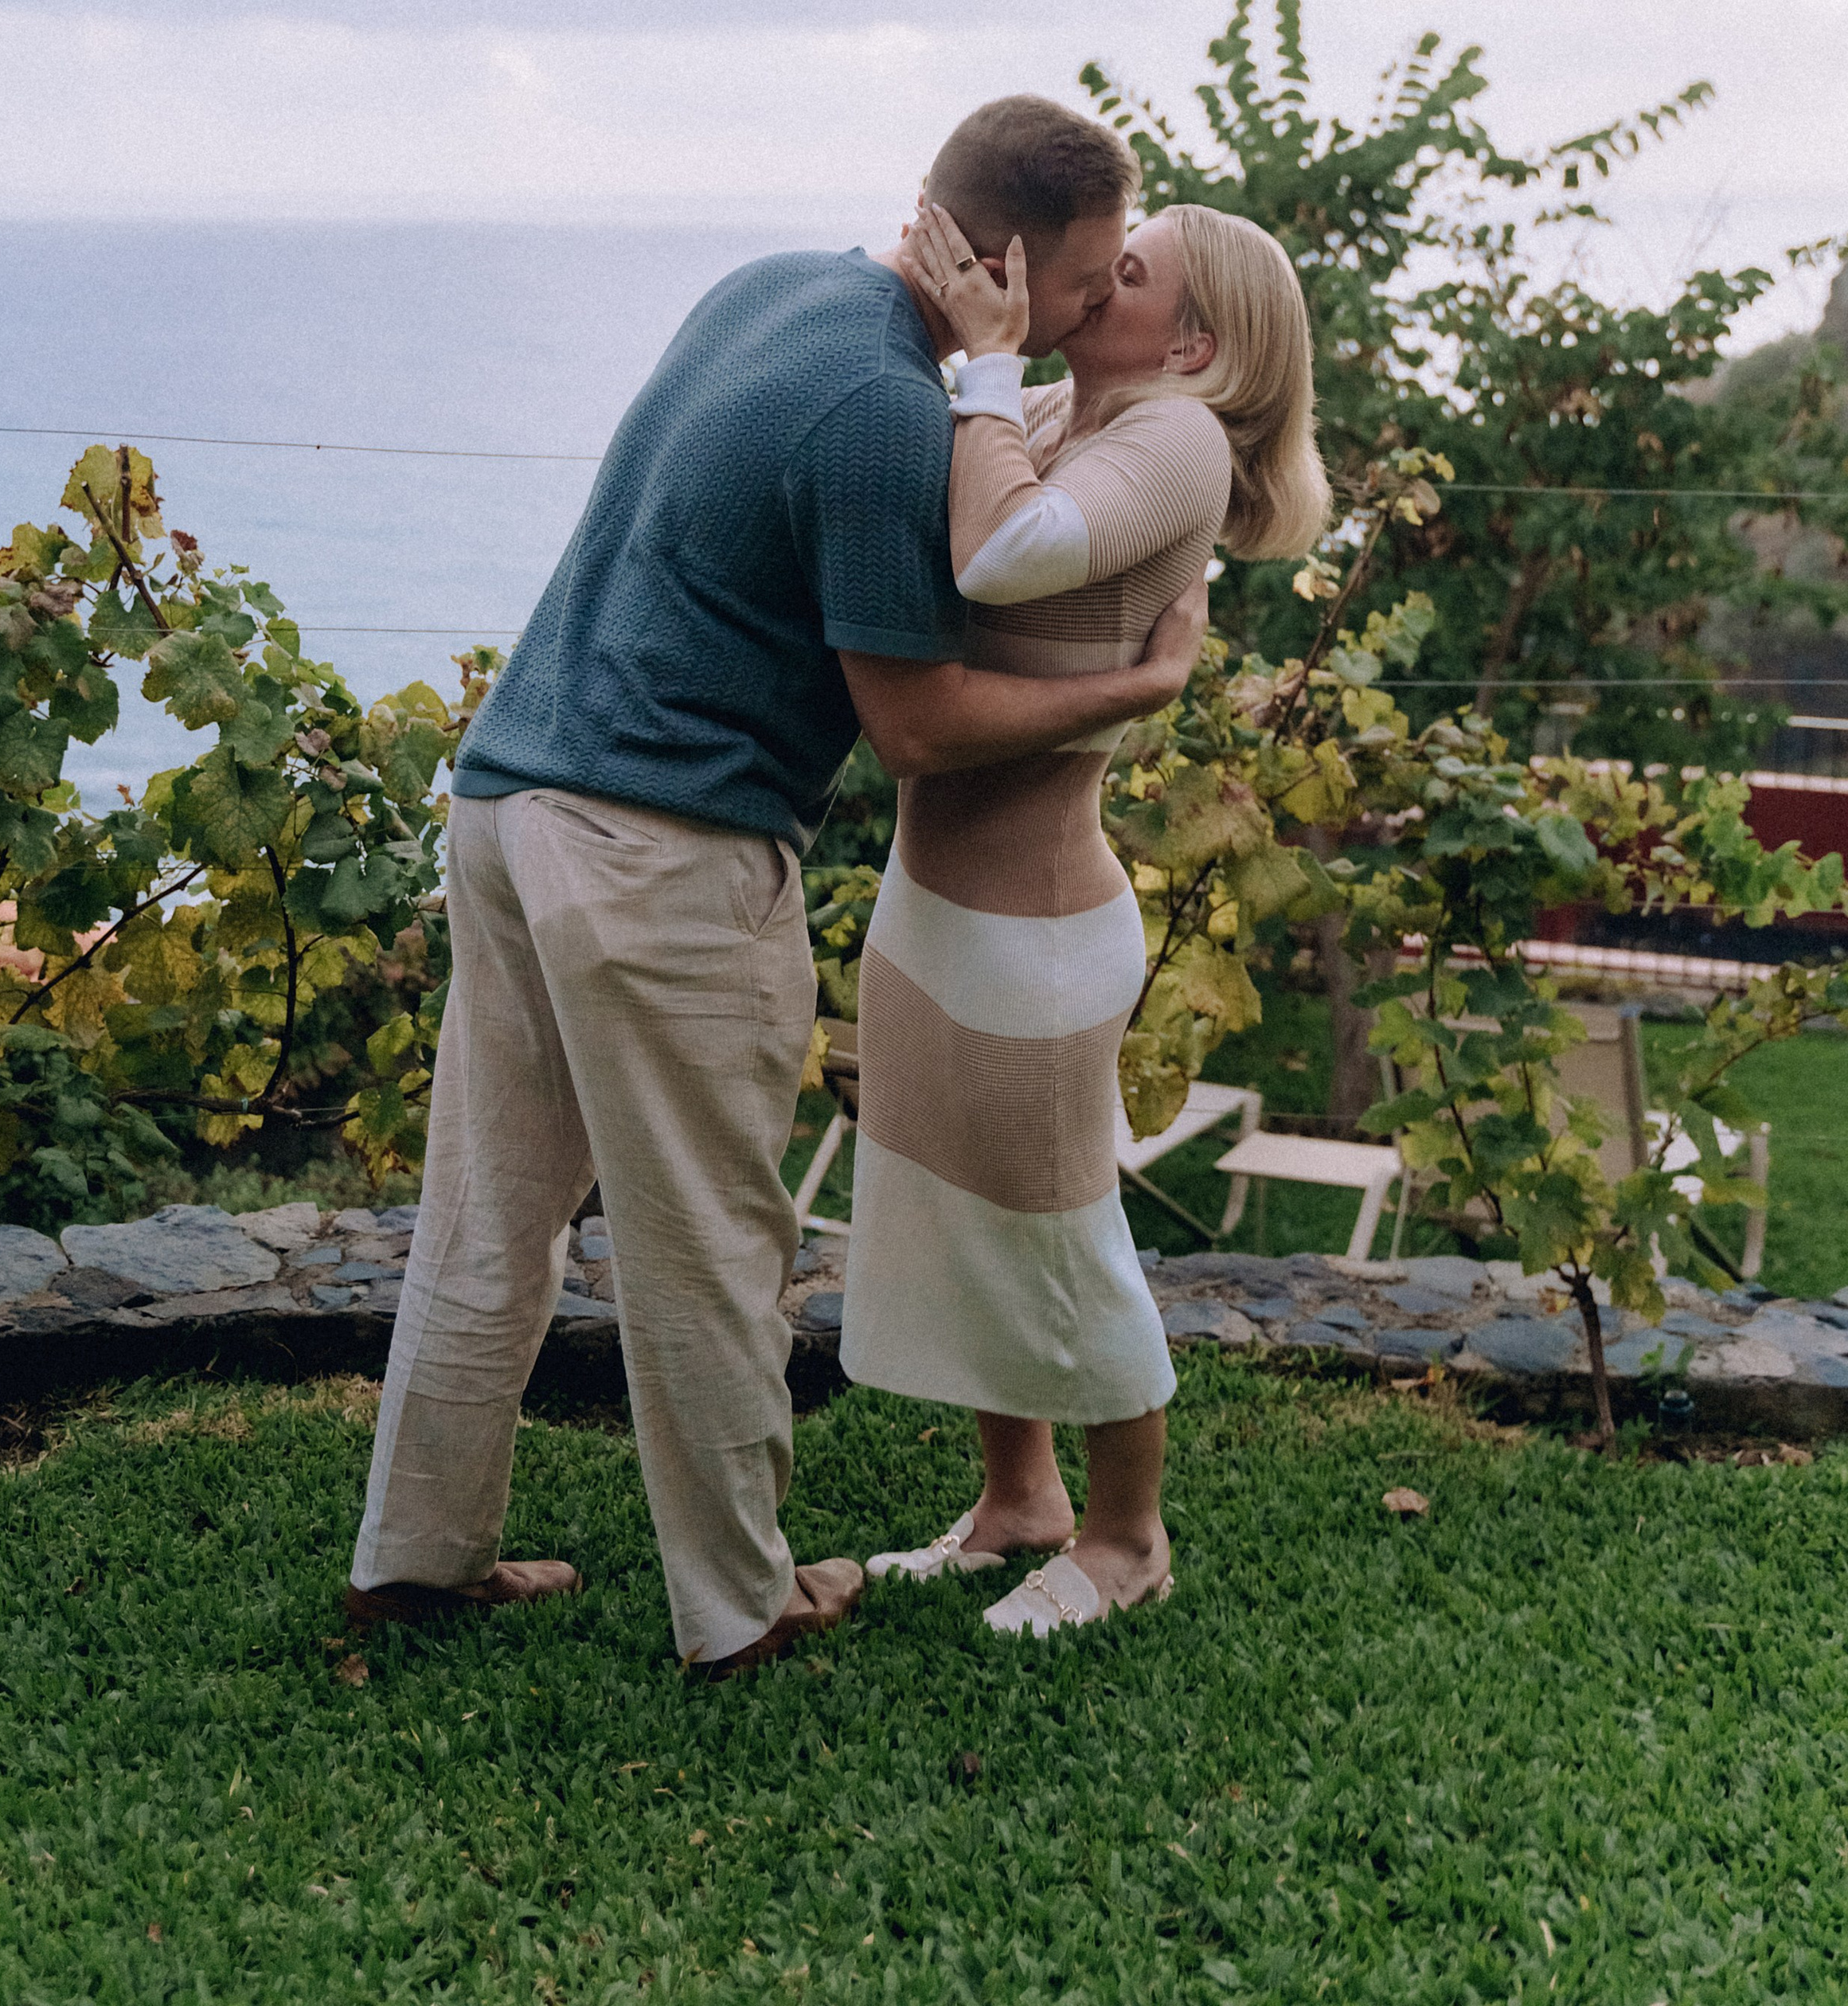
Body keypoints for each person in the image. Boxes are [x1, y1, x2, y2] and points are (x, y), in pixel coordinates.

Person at [346, 96, 1217, 1676]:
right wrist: (1131, 691)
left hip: (502, 799)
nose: (1099, 317)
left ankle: (415, 1560)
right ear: (1002, 268)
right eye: (1087, 287)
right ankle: (739, 1610)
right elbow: (912, 727)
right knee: (711, 1248)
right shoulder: (884, 414)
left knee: (490, 1214)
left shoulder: (769, 287)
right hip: (655, 851)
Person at [841, 197, 1328, 1637]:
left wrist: (983, 369)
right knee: (957, 1209)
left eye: (1126, 273)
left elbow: (1002, 558)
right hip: (938, 899)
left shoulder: (1177, 440)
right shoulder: (1067, 405)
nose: (1089, 281)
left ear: (1195, 338)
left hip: (1038, 929)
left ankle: (1126, 1536)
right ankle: (1018, 1502)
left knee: (1059, 1231)